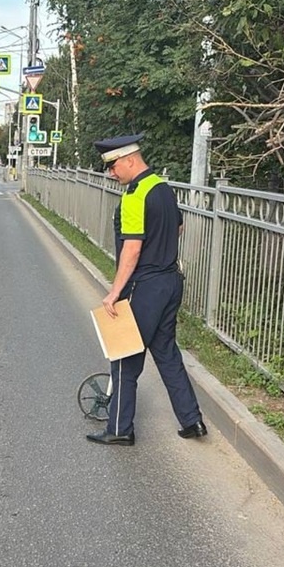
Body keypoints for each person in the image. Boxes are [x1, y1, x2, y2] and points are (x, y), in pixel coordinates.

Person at [86, 133, 206, 446]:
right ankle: (192, 420)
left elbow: (132, 250)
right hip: (170, 282)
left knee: (124, 357)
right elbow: (178, 227)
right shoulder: (163, 188)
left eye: (113, 166)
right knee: (166, 353)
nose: (111, 173)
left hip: (145, 285)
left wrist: (114, 292)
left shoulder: (135, 195)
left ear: (129, 159)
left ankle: (119, 429)